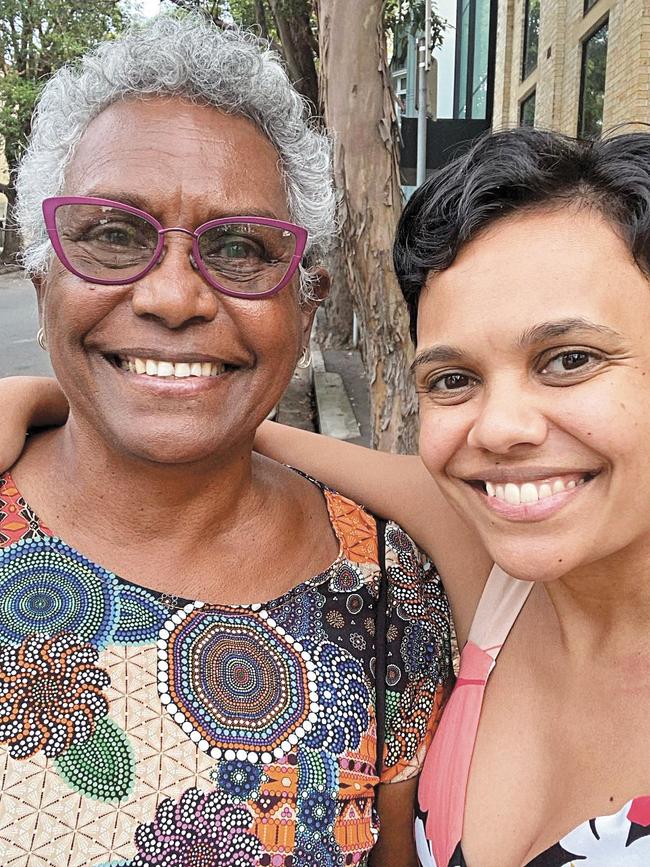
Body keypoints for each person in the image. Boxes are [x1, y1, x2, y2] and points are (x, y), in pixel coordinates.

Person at [8, 126, 650, 866]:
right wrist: (75, 394)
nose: (501, 428)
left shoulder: (463, 560)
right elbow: (252, 434)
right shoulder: (495, 572)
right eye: (453, 379)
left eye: (570, 360)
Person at [0, 14, 454, 867]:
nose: (173, 297)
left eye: (242, 248)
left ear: (307, 306)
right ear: (42, 277)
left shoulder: (390, 592)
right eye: (113, 235)